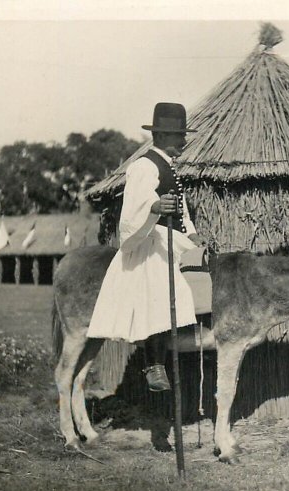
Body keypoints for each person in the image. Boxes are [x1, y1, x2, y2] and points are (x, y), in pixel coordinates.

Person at [87, 102, 206, 392]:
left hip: (173, 239)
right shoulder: (144, 165)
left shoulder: (170, 166)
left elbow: (182, 211)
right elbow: (133, 209)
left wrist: (191, 234)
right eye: (179, 136)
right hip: (152, 240)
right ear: (164, 137)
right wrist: (154, 206)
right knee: (161, 291)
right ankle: (154, 363)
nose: (184, 141)